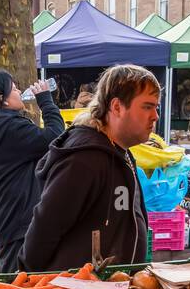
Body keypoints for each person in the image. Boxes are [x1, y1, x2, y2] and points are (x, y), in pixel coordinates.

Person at [22, 64, 158, 270]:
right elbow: (43, 231)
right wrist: (28, 283)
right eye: (147, 106)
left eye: (156, 107)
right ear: (117, 107)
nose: (155, 116)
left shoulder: (121, 151)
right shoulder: (85, 159)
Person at [0, 71, 65, 272]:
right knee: (18, 285)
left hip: (7, 214)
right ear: (2, 100)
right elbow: (55, 137)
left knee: (18, 278)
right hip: (18, 216)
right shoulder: (10, 128)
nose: (20, 91)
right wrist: (46, 102)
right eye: (14, 88)